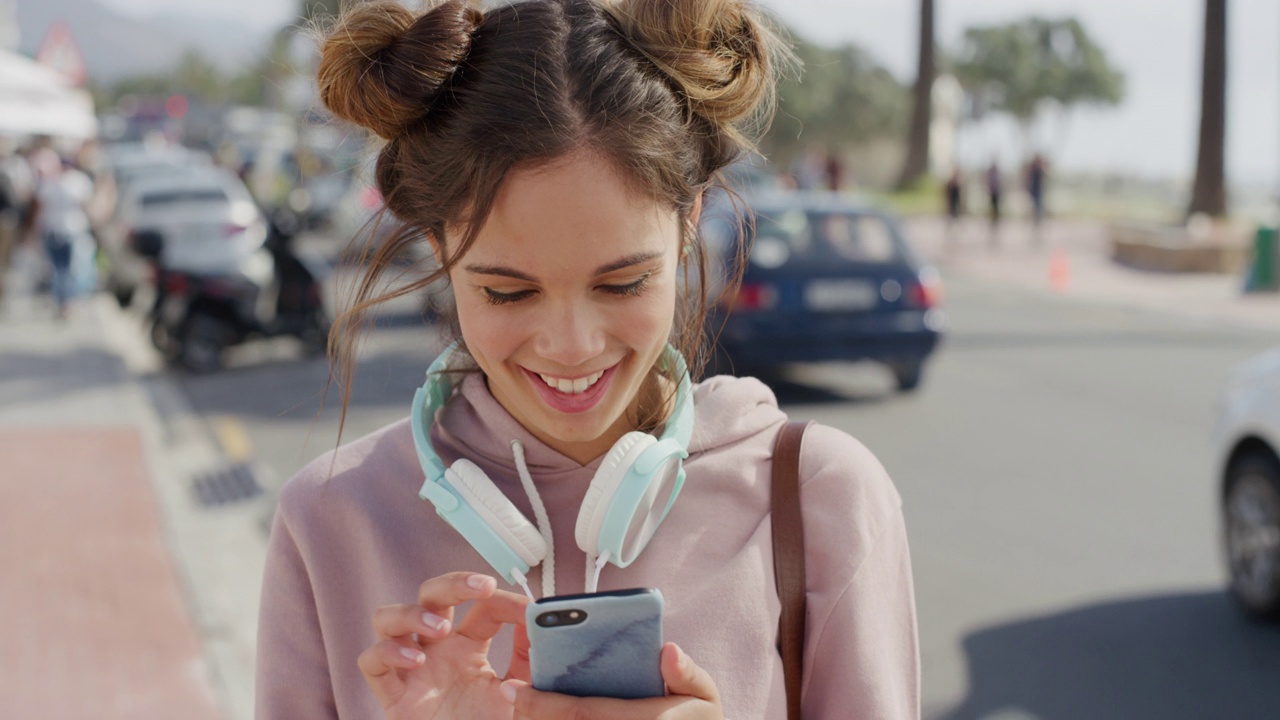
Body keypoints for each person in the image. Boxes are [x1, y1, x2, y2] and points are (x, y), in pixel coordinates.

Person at [256, 1, 919, 718]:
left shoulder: (819, 497)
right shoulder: (328, 524)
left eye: (622, 282)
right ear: (440, 243)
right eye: (508, 293)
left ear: (690, 217)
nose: (571, 345)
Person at [29, 148, 96, 319]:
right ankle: (68, 302)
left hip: (56, 230)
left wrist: (34, 231)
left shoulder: (52, 182)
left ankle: (63, 301)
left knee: (60, 268)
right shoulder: (77, 181)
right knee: (69, 268)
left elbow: (39, 208)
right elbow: (86, 205)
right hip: (71, 230)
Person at [1026, 152, 1047, 243]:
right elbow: (1028, 179)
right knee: (1034, 211)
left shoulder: (1040, 168)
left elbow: (1046, 175)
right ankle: (1034, 228)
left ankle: (1037, 230)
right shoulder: (1032, 168)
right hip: (1034, 193)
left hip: (1039, 192)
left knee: (1038, 212)